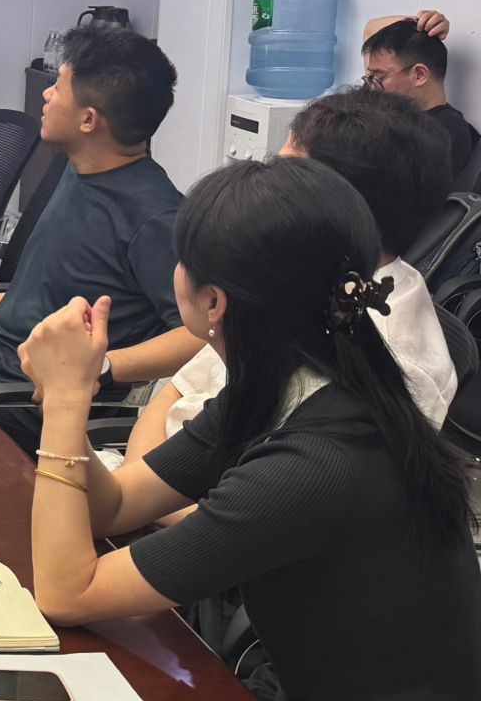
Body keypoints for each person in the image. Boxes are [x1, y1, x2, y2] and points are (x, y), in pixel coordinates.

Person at [19, 158, 481, 701]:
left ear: (213, 303)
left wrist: (65, 400)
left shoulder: (314, 466)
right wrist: (73, 400)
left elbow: (66, 589)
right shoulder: (290, 385)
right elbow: (113, 508)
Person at [126, 87, 457, 490]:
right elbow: (177, 393)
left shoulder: (395, 369)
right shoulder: (297, 278)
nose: (264, 182)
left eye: (285, 174)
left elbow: (267, 511)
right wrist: (135, 484)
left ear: (336, 202)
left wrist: (136, 493)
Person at [0, 26, 200, 446]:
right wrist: (17, 300)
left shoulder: (155, 217)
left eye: (58, 87)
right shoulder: (79, 167)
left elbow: (202, 334)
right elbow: (83, 276)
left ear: (88, 120)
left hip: (21, 408)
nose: (46, 95)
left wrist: (101, 366)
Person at [362, 9, 477, 172]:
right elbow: (370, 29)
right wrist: (422, 23)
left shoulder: (443, 136)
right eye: (371, 77)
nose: (372, 87)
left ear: (419, 75)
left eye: (379, 77)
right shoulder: (390, 100)